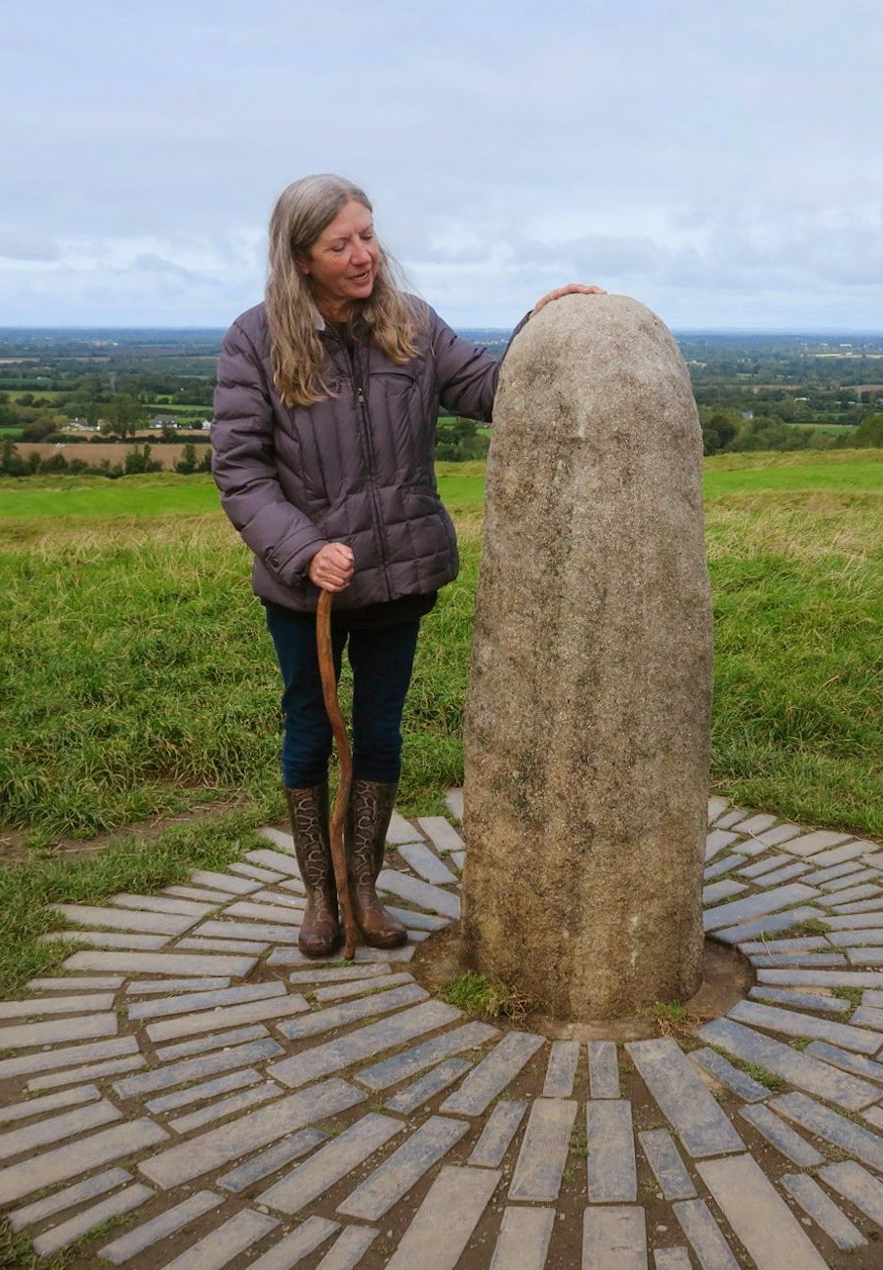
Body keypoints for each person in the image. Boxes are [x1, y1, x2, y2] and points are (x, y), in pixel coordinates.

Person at [211, 173, 598, 956]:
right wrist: (303, 551)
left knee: (381, 733)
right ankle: (320, 896)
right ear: (301, 257)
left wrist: (543, 329)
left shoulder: (412, 324)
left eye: (367, 234)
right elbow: (240, 470)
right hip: (308, 589)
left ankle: (363, 888)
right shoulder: (255, 340)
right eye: (341, 244)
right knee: (309, 730)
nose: (364, 254)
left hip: (397, 576)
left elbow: (493, 390)